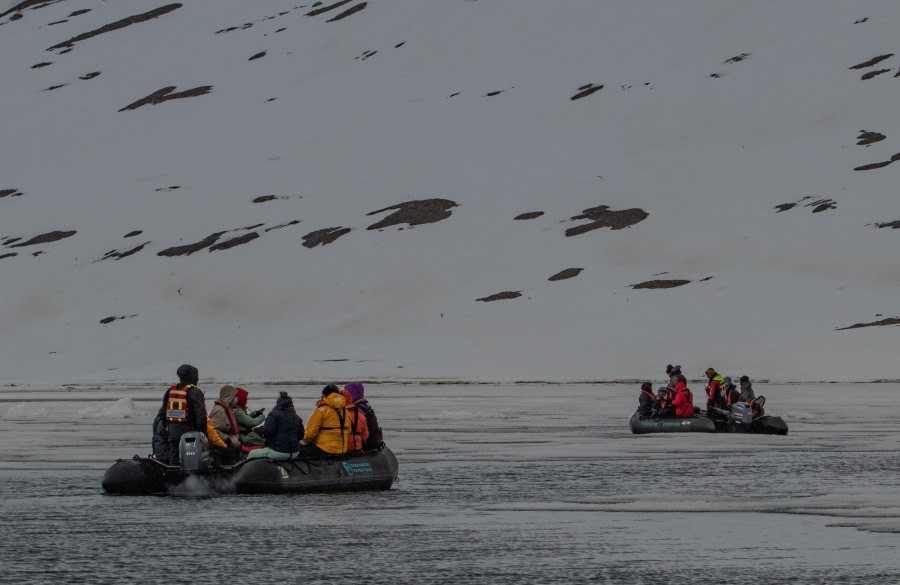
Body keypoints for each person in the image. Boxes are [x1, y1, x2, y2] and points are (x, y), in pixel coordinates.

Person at [157, 364, 208, 465]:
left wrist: (169, 427)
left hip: (173, 433)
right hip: (191, 434)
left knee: (174, 458)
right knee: (193, 459)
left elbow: (163, 414)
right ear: (192, 376)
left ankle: (173, 476)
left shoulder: (170, 391)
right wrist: (203, 434)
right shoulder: (195, 392)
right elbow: (201, 416)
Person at [246, 391, 305, 460]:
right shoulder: (297, 417)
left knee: (252, 453)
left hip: (278, 452)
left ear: (278, 403)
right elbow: (301, 435)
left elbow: (267, 431)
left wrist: (256, 429)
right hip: (295, 453)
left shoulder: (274, 414)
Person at [299, 385, 353, 457]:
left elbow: (310, 433)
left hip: (324, 449)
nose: (321, 396)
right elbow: (348, 431)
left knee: (296, 450)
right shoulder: (346, 412)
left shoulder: (322, 410)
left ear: (325, 395)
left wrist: (302, 441)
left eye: (322, 394)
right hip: (342, 450)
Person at [344, 382, 383, 450]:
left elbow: (363, 434)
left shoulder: (357, 410)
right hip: (374, 442)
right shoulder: (365, 407)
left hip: (365, 444)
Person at [208, 385, 242, 463]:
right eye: (235, 396)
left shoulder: (227, 408)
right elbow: (214, 430)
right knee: (237, 444)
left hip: (227, 436)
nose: (236, 399)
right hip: (222, 441)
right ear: (229, 396)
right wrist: (227, 439)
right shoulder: (220, 410)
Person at [341, 386, 369, 453]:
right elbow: (365, 435)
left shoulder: (336, 415)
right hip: (356, 447)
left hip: (341, 449)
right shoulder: (361, 415)